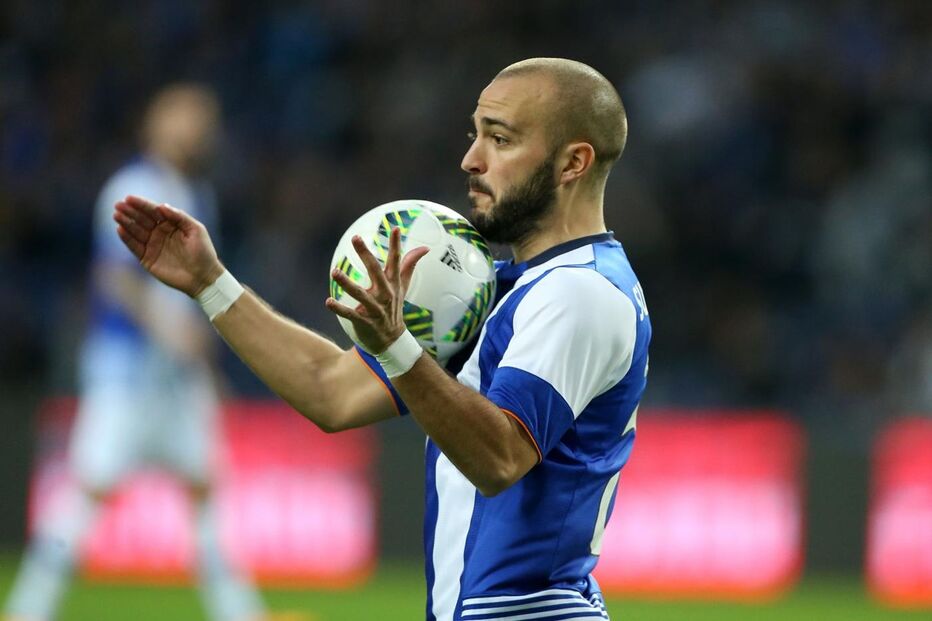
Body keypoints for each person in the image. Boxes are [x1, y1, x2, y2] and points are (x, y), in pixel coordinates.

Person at [114, 58, 651, 621]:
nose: (472, 158)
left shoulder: (581, 292)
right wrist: (211, 283)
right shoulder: (504, 288)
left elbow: (499, 456)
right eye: (476, 134)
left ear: (573, 163)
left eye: (500, 138)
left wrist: (399, 346)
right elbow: (332, 390)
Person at [4, 85, 270, 621]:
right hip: (126, 374)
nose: (196, 128)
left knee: (207, 490)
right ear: (154, 123)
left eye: (204, 119)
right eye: (184, 116)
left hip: (176, 380)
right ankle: (28, 609)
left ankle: (240, 613)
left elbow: (197, 293)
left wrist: (203, 363)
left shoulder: (197, 195)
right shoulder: (131, 188)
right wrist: (169, 332)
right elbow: (114, 279)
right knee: (88, 489)